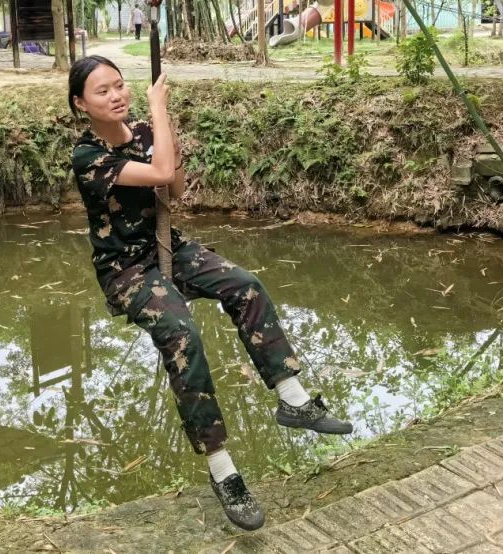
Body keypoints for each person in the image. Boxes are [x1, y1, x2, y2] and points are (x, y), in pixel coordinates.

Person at [68, 56, 351, 531]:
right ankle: (224, 471)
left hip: (168, 248)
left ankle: (292, 398)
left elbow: (174, 187)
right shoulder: (87, 157)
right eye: (103, 91)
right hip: (126, 269)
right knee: (182, 334)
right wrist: (159, 111)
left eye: (119, 85)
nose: (117, 95)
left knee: (246, 286)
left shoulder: (144, 132)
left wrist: (162, 130)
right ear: (81, 103)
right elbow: (160, 174)